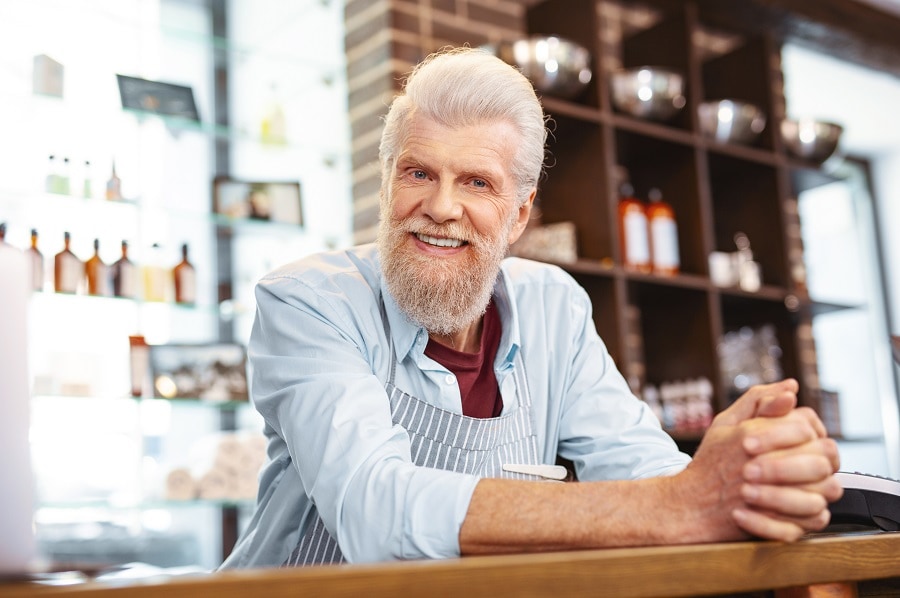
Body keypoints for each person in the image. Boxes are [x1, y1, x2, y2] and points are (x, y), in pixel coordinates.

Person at [220, 46, 841, 569]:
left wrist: (727, 472)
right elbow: (374, 513)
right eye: (416, 174)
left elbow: (641, 472)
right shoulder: (309, 302)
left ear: (519, 214)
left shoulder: (555, 308)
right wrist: (683, 501)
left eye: (477, 182)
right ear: (386, 186)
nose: (440, 207)